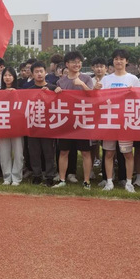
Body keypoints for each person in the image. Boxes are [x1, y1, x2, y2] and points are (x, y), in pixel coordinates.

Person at [94, 49, 140, 193]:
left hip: (126, 122)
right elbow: (98, 100)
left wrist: (133, 93)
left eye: (121, 59)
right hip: (110, 121)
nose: (118, 61)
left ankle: (129, 182)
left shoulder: (133, 79)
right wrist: (95, 89)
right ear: (113, 61)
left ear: (127, 61)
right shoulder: (106, 79)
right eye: (116, 59)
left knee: (127, 153)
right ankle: (109, 181)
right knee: (108, 153)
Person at [53, 51, 94, 189]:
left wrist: (82, 84)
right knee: (64, 151)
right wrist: (56, 90)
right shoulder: (61, 81)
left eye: (79, 62)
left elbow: (92, 96)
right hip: (66, 121)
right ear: (67, 64)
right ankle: (62, 179)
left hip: (83, 121)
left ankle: (87, 181)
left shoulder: (86, 78)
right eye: (73, 62)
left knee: (85, 152)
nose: (77, 64)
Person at [26, 61, 57, 186]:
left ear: (45, 72)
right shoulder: (28, 91)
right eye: (36, 72)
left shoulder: (53, 88)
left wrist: (55, 92)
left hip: (48, 126)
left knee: (49, 153)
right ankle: (37, 175)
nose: (39, 74)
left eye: (41, 71)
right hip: (33, 126)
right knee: (34, 153)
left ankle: (49, 176)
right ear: (32, 74)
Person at [0, 67, 24, 185]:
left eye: (10, 75)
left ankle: (17, 177)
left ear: (14, 77)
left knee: (18, 152)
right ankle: (7, 176)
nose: (7, 77)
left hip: (17, 126)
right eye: (5, 75)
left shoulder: (20, 91)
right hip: (3, 125)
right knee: (4, 152)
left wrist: (15, 94)